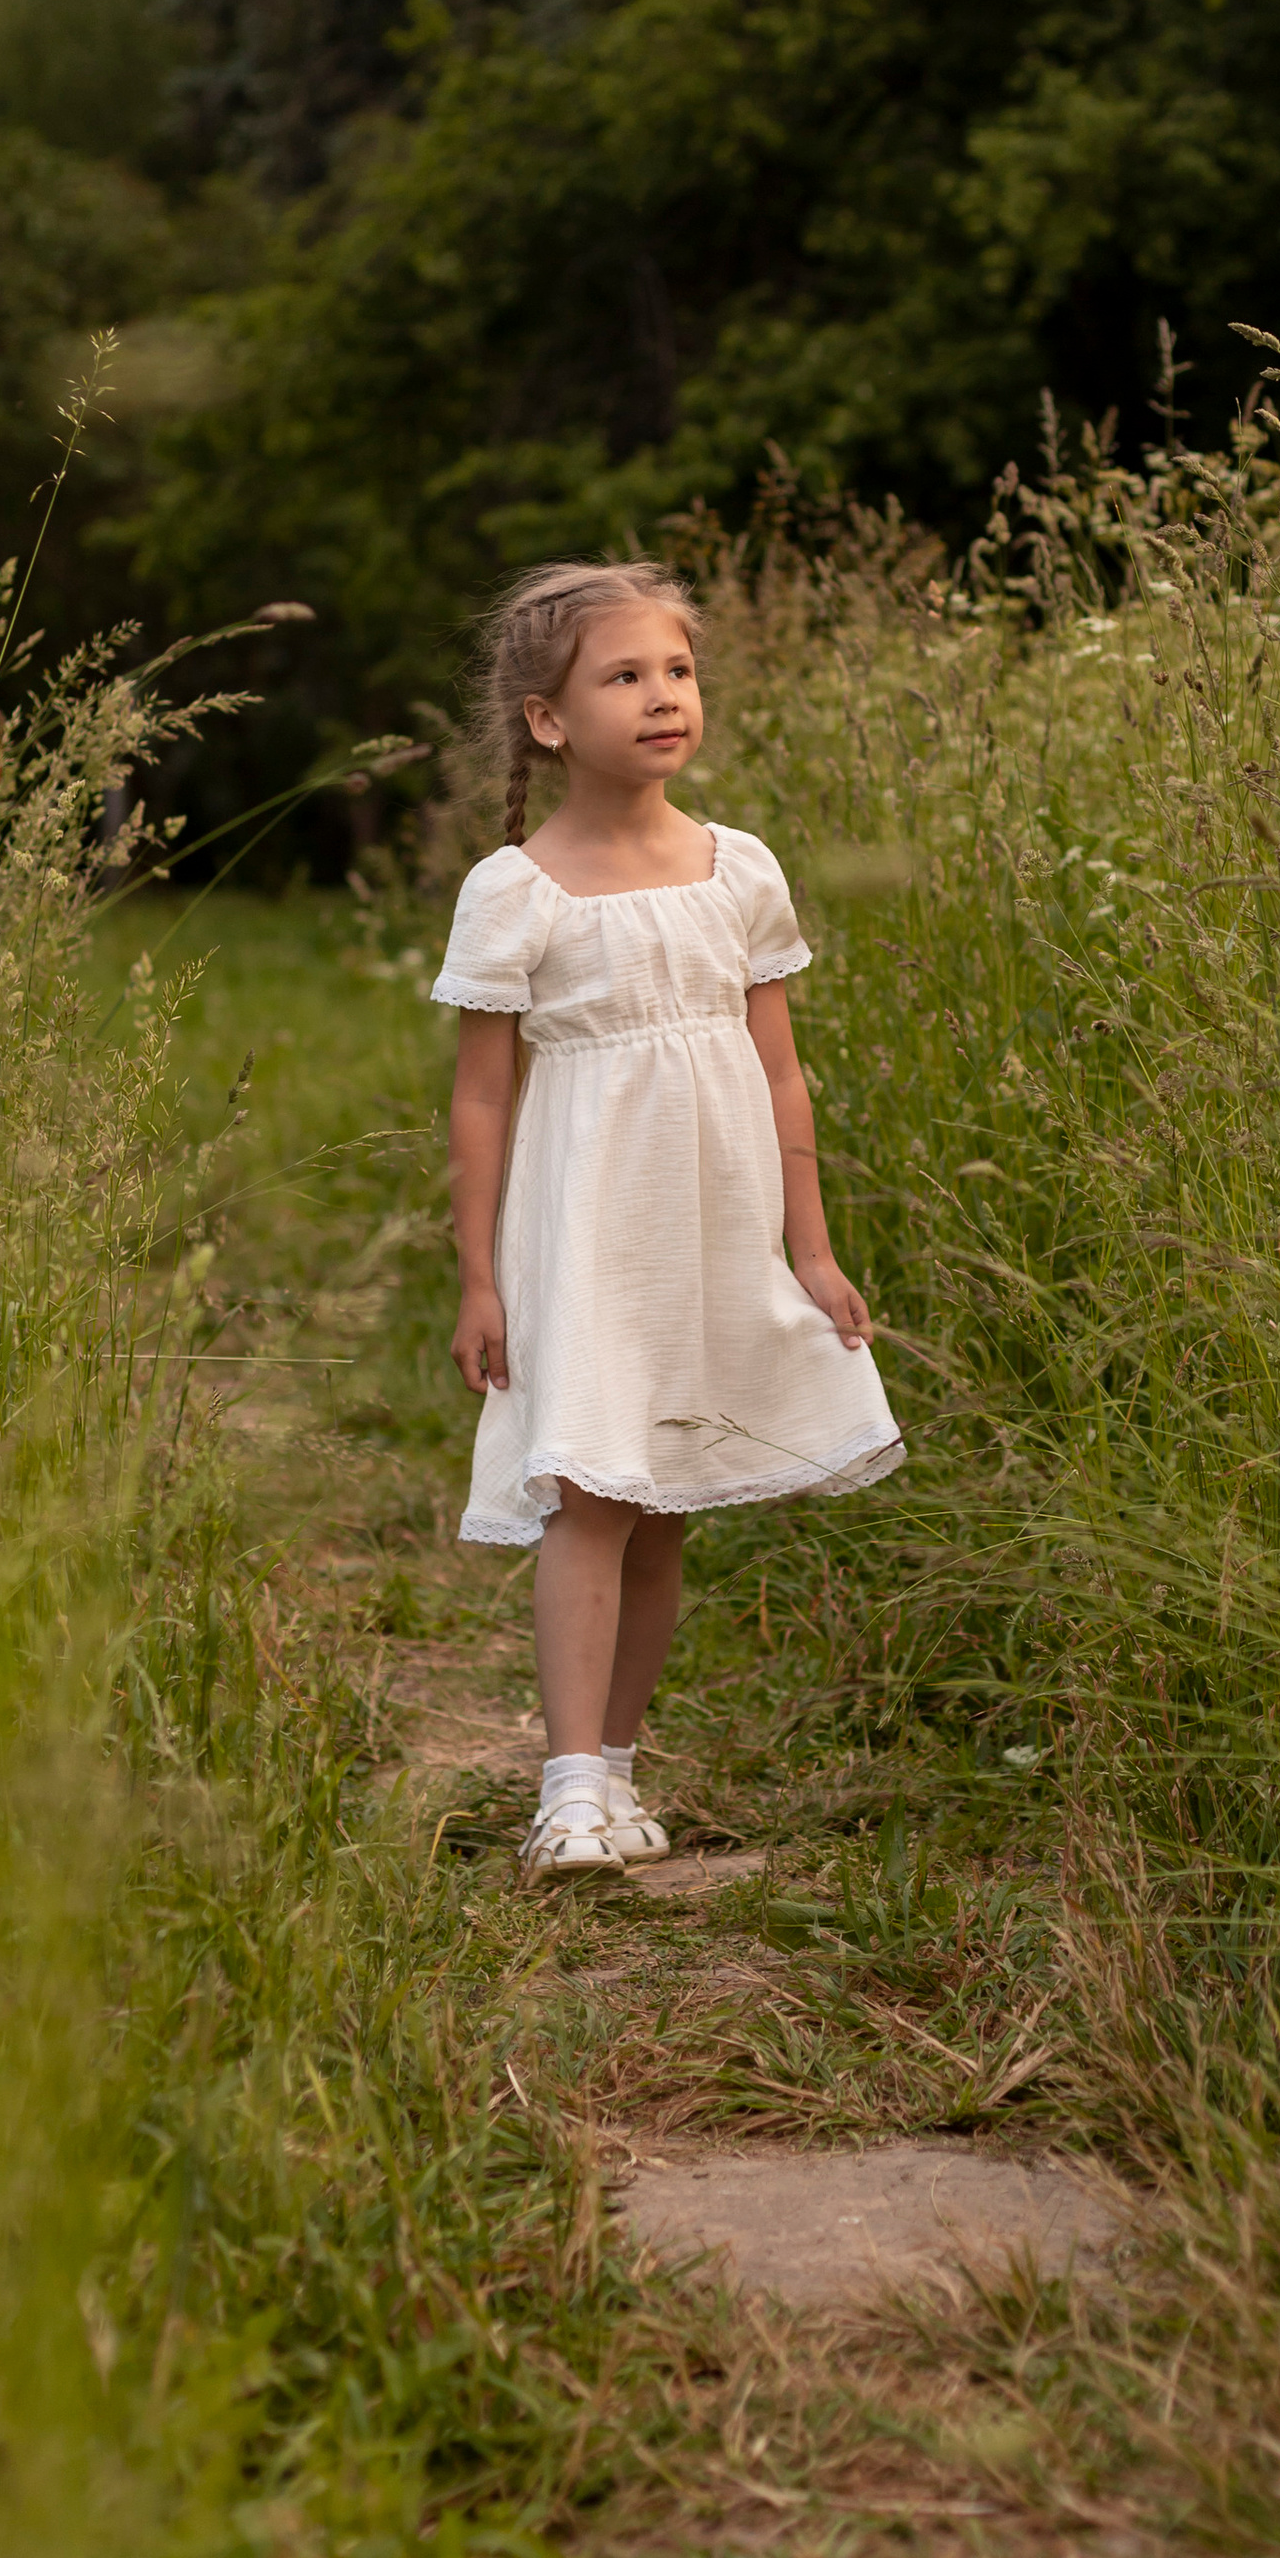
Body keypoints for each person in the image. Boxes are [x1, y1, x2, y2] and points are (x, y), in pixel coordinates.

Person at [435, 560, 903, 1875]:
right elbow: (481, 1098)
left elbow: (777, 1068)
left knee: (664, 1502)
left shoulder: (736, 870)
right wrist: (480, 1278)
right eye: (624, 676)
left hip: (709, 1231)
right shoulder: (516, 889)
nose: (661, 697)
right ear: (547, 720)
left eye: (678, 671)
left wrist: (808, 1248)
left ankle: (624, 1767)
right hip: (585, 1237)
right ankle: (567, 1789)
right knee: (590, 1489)